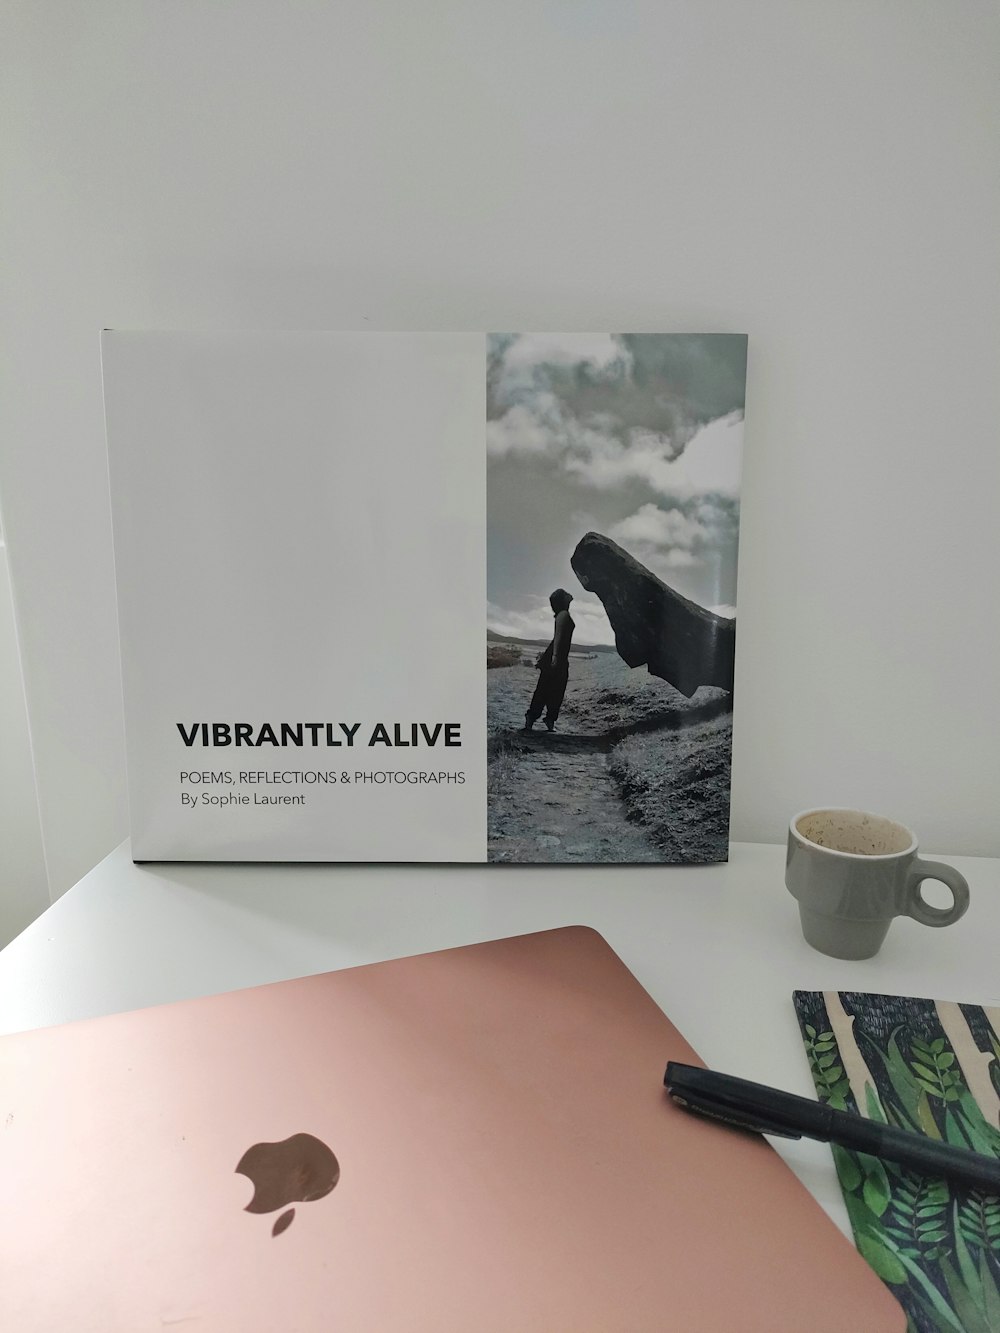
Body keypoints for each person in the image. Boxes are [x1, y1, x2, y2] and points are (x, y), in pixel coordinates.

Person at [524, 588, 575, 732]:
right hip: (557, 657)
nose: (569, 595)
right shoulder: (563, 615)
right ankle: (538, 719)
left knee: (550, 690)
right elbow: (558, 637)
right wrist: (555, 658)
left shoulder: (562, 614)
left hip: (558, 657)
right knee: (549, 690)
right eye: (565, 595)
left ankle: (540, 719)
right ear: (562, 600)